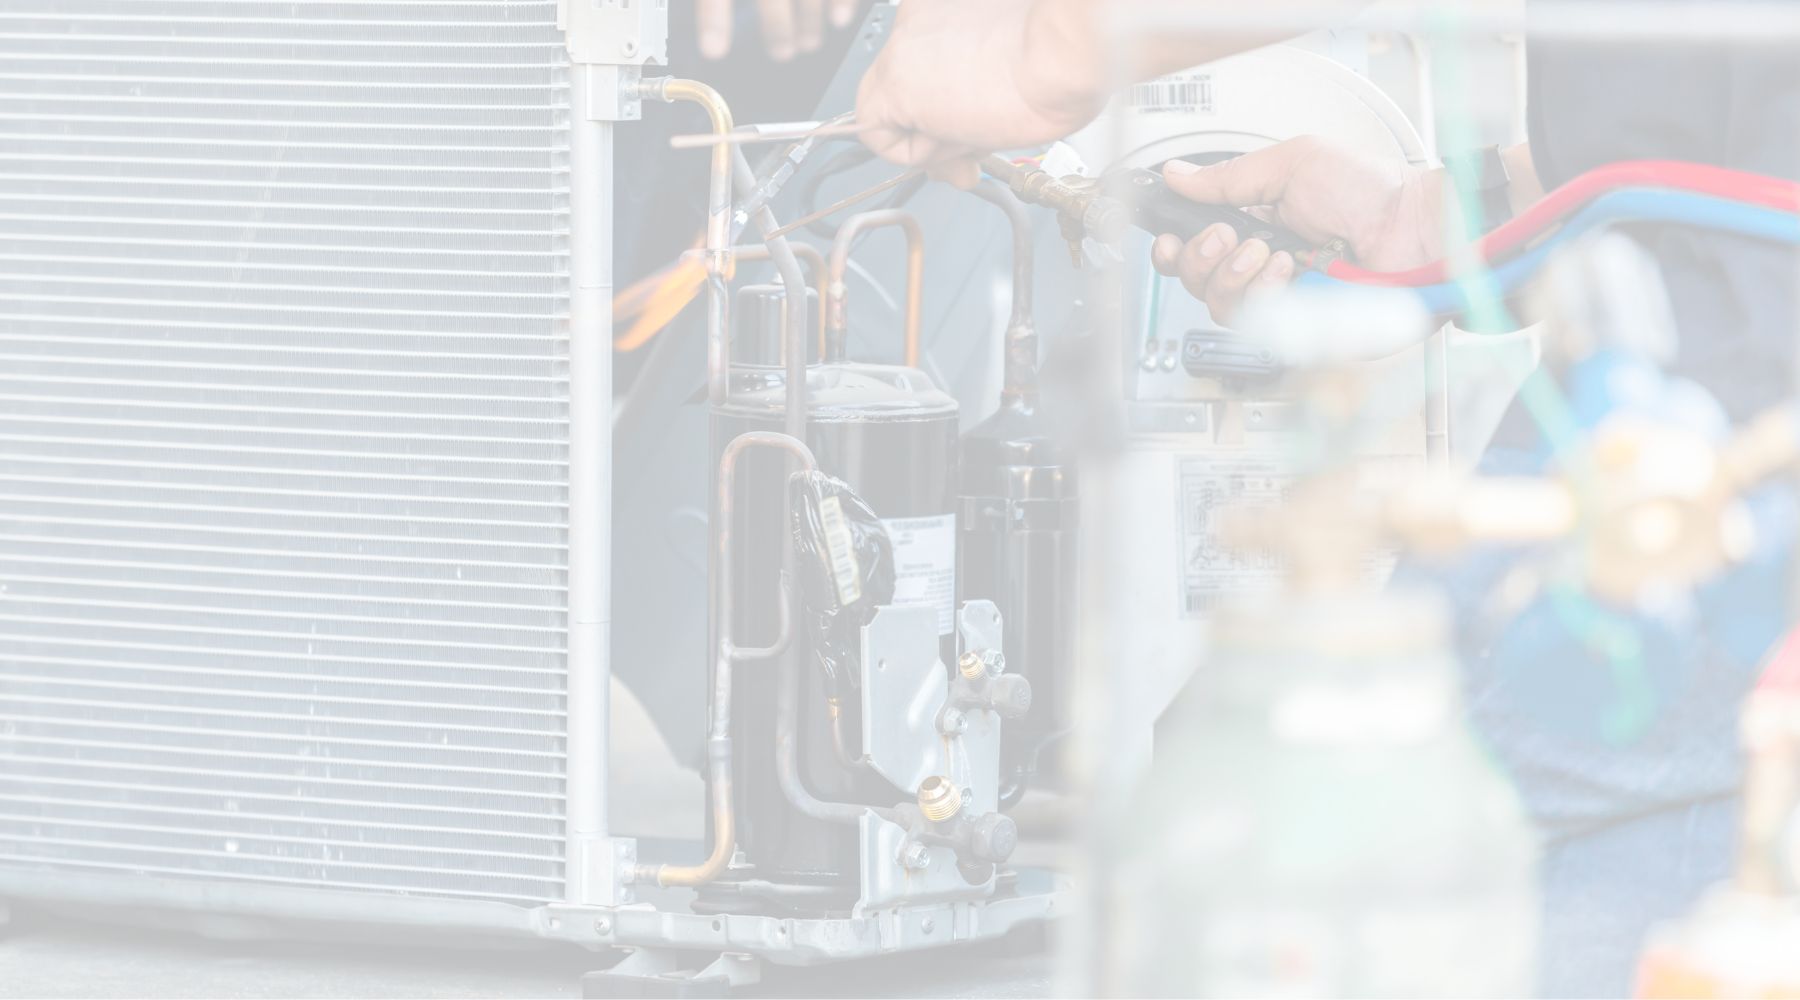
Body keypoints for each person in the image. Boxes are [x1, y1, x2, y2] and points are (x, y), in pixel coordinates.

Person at [855, 0, 1800, 995]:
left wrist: (1037, 52)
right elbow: (1689, 139)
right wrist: (1421, 217)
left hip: (1715, 448)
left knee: (1293, 846)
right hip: (1700, 402)